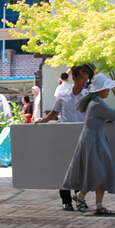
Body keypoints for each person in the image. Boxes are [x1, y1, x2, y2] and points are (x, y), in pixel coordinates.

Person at [61, 72, 115, 215]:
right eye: (105, 88)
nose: (108, 91)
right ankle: (82, 196)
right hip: (93, 140)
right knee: (99, 171)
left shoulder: (95, 102)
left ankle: (95, 203)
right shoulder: (97, 104)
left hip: (95, 138)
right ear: (98, 90)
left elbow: (108, 115)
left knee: (101, 171)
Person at [35, 63, 94, 211]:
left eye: (86, 79)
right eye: (82, 78)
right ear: (74, 78)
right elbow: (54, 113)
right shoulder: (63, 95)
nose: (84, 82)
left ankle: (79, 198)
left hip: (82, 136)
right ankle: (66, 201)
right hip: (64, 137)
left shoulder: (88, 97)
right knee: (64, 169)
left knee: (81, 170)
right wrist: (42, 121)